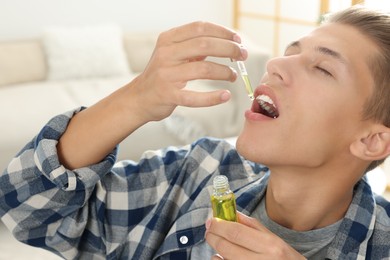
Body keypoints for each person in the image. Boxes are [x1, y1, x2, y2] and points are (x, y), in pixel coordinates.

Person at [1, 5, 390, 259]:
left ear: (371, 139)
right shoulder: (198, 171)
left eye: (322, 69)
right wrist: (136, 98)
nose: (275, 63)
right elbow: (26, 211)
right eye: (291, 51)